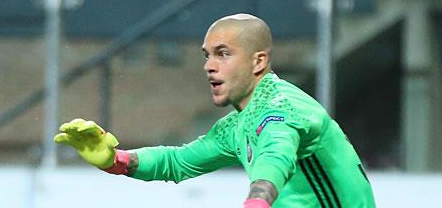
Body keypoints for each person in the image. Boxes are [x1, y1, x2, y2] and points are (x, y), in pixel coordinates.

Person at [55, 13, 376, 207]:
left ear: (258, 61)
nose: (209, 65)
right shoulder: (238, 124)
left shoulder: (282, 109)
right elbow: (178, 162)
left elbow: (276, 156)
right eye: (207, 55)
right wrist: (117, 160)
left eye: (223, 54)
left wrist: (257, 201)